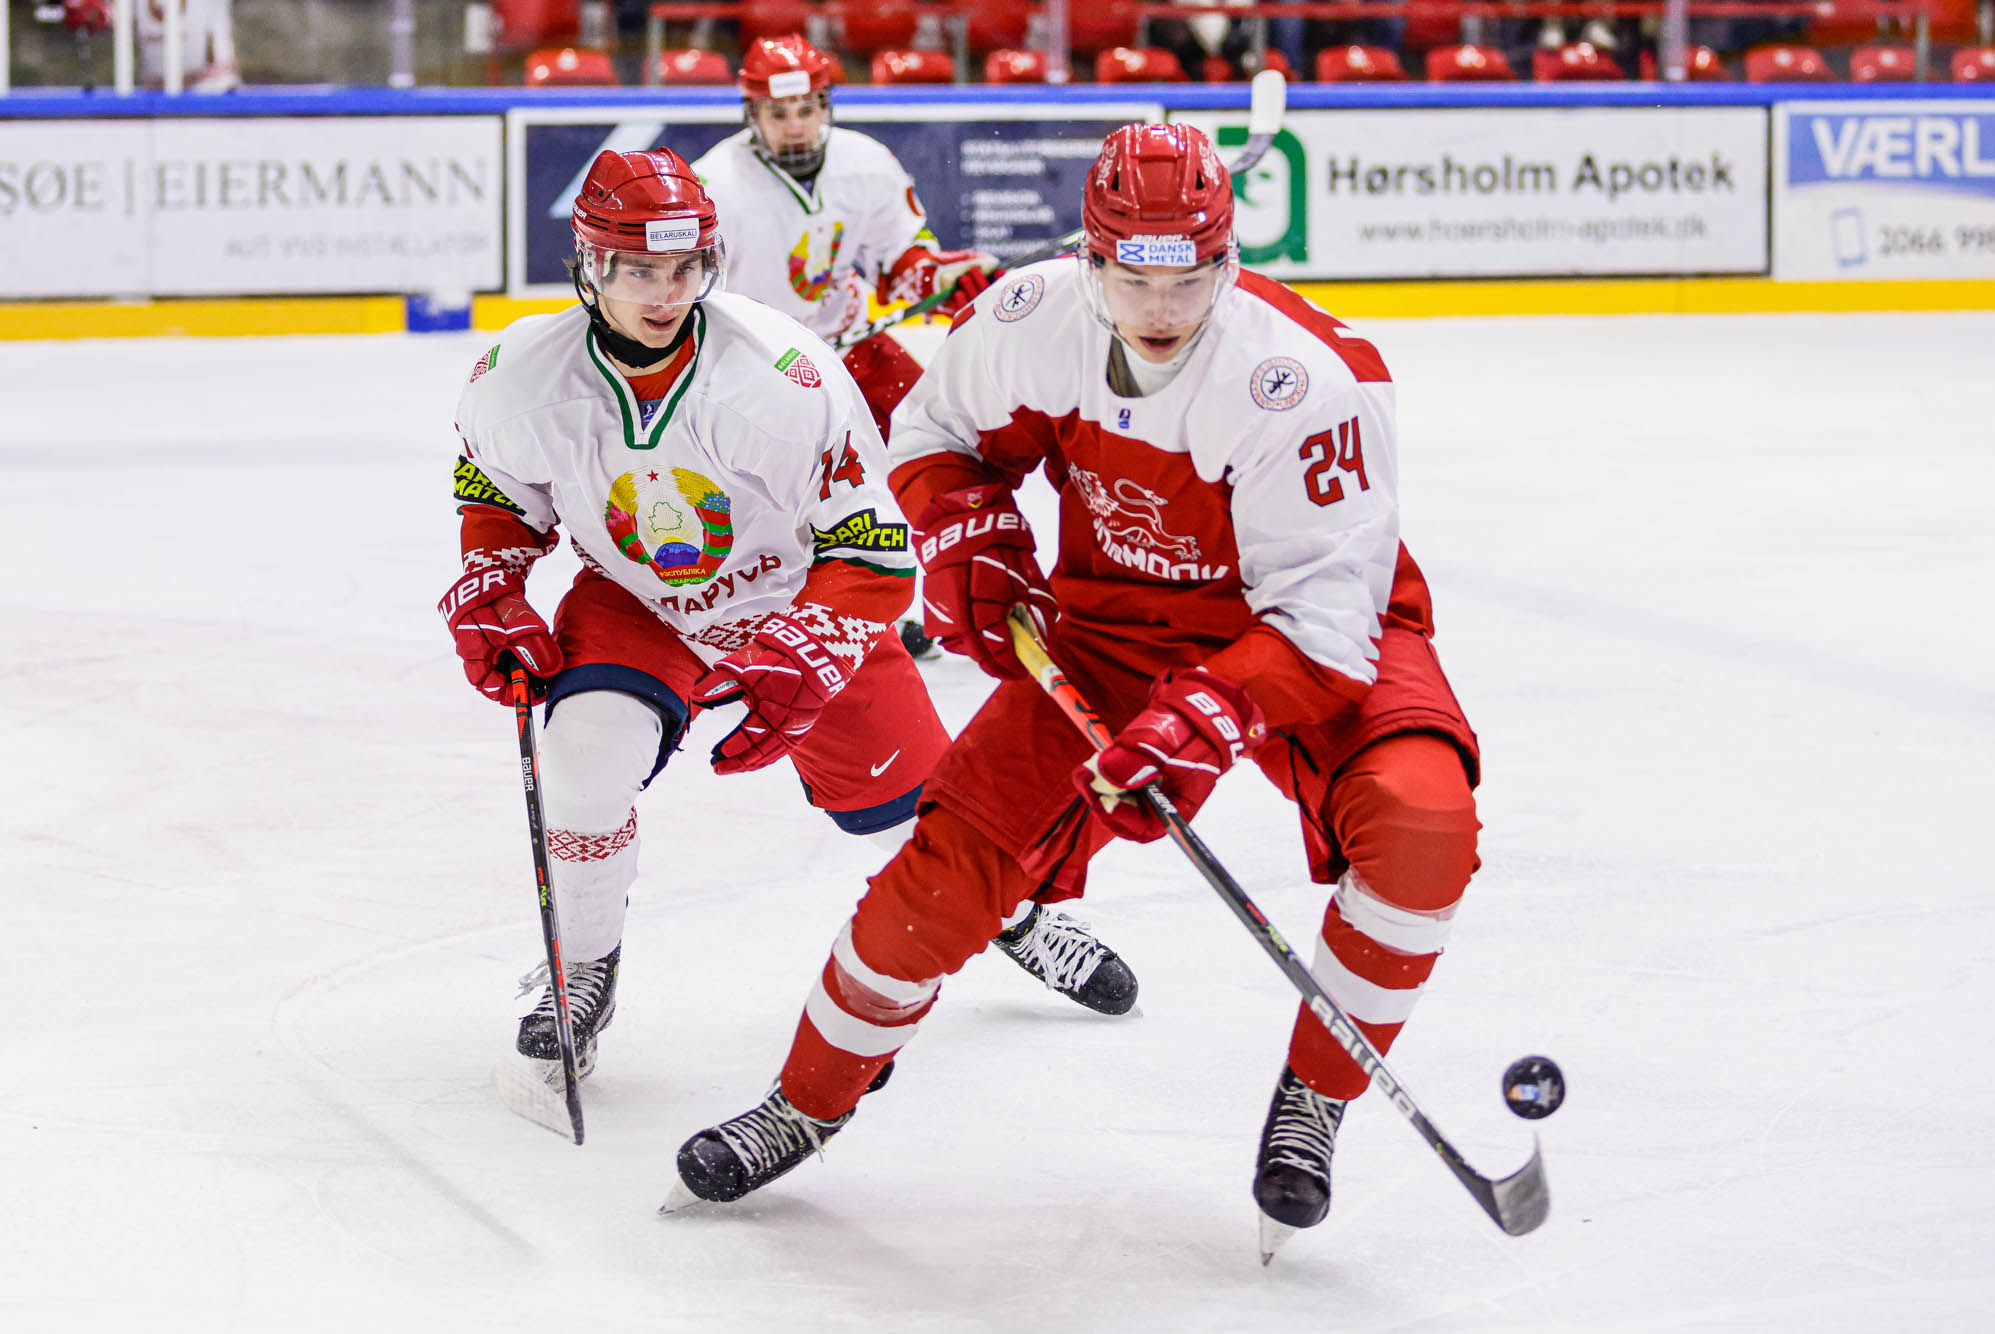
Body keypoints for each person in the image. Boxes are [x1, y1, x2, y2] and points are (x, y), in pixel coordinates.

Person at [664, 123, 1482, 1260]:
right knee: (942, 873)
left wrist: (1213, 710)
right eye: (1130, 277)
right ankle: (806, 1097)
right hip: (1108, 629)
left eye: (1187, 277)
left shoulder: (1308, 383)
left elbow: (1330, 621)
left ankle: (1316, 1092)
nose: (1158, 305)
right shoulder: (1026, 318)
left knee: (1424, 822)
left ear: (1226, 259)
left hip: (1302, 636)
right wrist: (969, 531)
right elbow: (935, 433)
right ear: (1088, 257)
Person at [438, 149, 1136, 1088]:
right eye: (638, 269)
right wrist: (494, 579)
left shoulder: (782, 374)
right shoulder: (518, 373)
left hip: (795, 597)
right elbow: (498, 489)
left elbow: (872, 544)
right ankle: (583, 968)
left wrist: (811, 641)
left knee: (924, 823)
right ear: (589, 264)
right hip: (638, 605)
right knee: (582, 764)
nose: (664, 292)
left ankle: (1016, 920)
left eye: (683, 269)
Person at [690, 34, 998, 445]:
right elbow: (692, 297)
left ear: (825, 106)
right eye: (778, 114)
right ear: (753, 113)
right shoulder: (713, 186)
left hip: (851, 343)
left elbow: (897, 255)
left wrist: (936, 279)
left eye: (806, 110)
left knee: (940, 437)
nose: (796, 127)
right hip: (754, 361)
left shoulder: (866, 161)